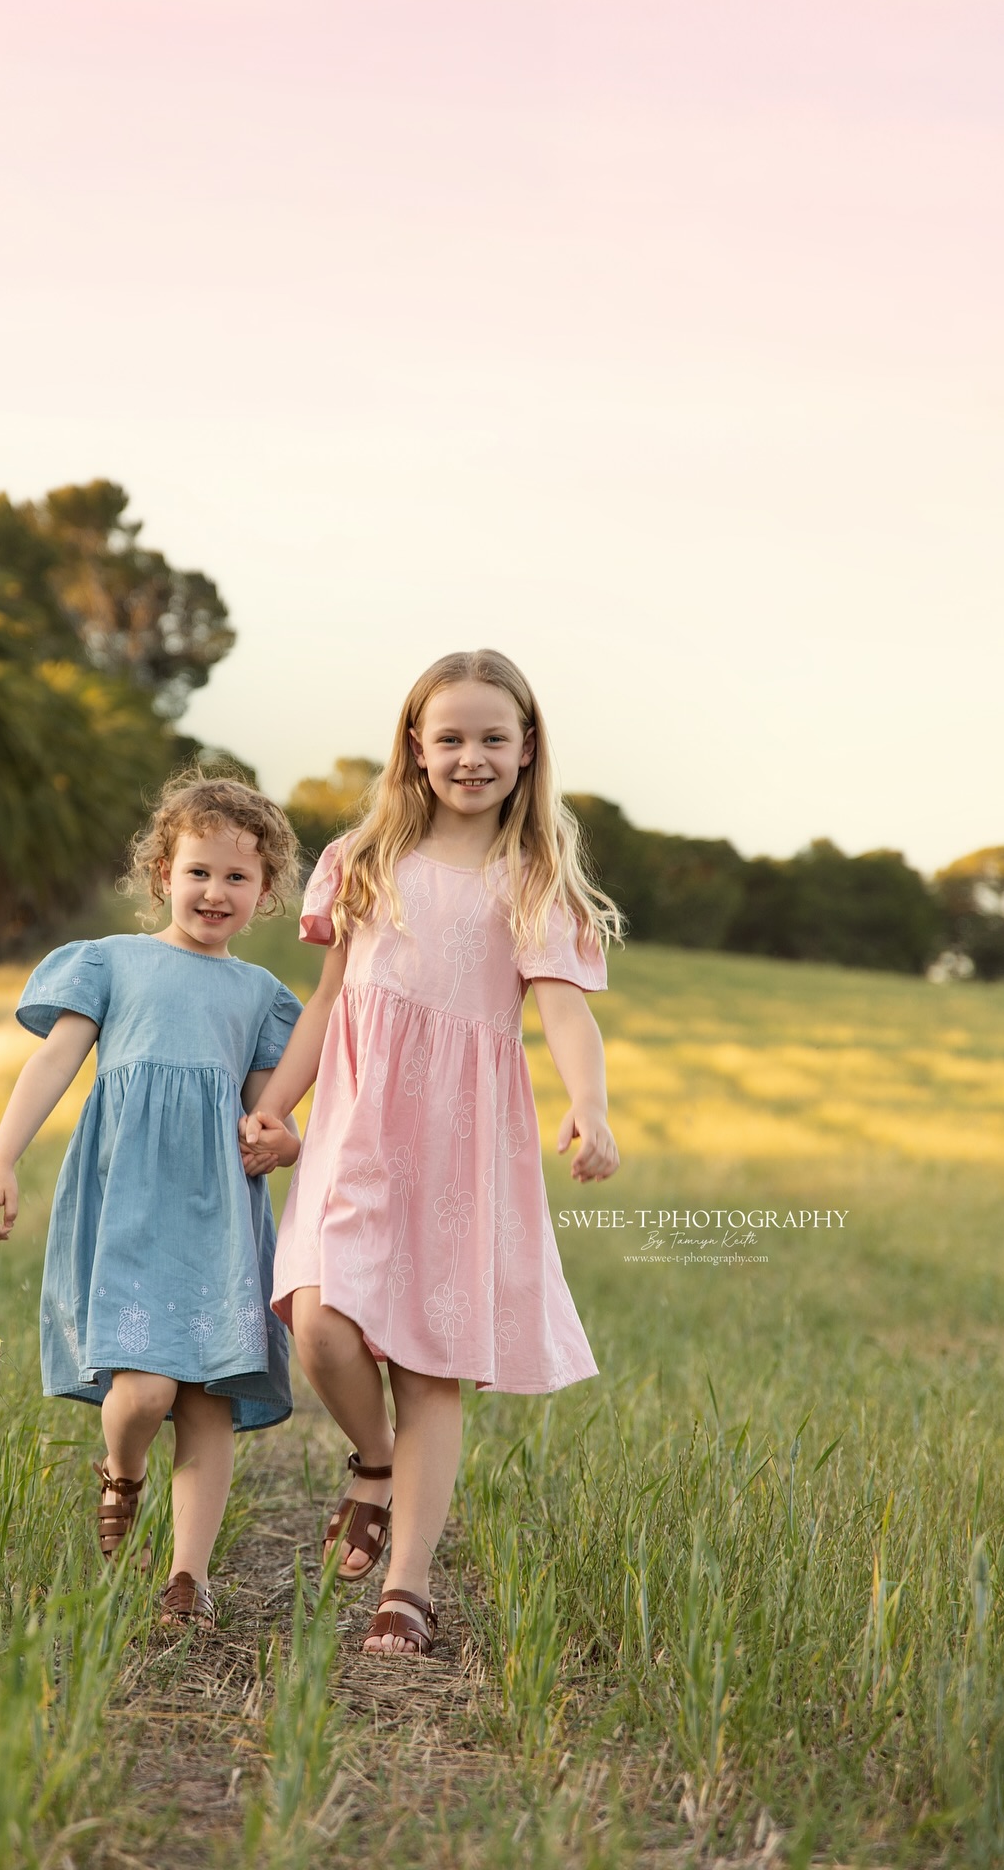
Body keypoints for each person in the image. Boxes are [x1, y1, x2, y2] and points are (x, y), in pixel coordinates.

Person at [243, 650, 623, 1658]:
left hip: (462, 1145)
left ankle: (405, 1588)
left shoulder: (533, 879)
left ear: (527, 749)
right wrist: (275, 1109)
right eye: (449, 737)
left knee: (430, 1367)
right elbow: (327, 1003)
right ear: (415, 747)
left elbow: (564, 1013)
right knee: (319, 1324)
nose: (471, 757)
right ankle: (373, 1463)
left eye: (493, 738)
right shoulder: (362, 857)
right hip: (357, 1130)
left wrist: (588, 1105)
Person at [0, 773, 304, 1629]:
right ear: (162, 873)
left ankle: (185, 1581)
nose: (215, 892)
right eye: (198, 871)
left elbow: (271, 1110)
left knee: (208, 1397)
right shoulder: (111, 962)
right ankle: (122, 1470)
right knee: (146, 1389)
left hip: (221, 1211)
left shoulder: (263, 995)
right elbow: (51, 1063)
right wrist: (1, 1161)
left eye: (238, 878)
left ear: (265, 892)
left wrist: (286, 1140)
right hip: (129, 1204)